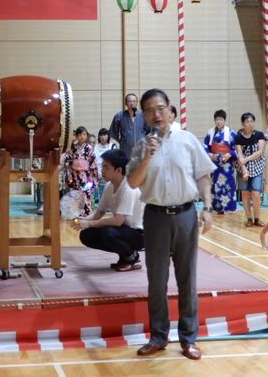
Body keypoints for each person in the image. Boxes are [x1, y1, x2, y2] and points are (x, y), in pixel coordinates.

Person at [127, 88, 215, 361]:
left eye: (160, 108)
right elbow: (132, 182)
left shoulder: (187, 140)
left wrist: (207, 207)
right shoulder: (142, 146)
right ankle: (158, 337)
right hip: (154, 217)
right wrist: (149, 156)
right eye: (150, 110)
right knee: (157, 282)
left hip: (186, 215)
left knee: (187, 280)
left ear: (170, 109)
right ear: (143, 115)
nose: (156, 114)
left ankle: (189, 339)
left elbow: (203, 175)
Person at [72, 149, 144, 271]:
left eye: (106, 167)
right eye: (102, 166)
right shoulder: (109, 186)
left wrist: (89, 223)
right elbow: (99, 212)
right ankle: (124, 256)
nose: (102, 170)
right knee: (86, 235)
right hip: (122, 230)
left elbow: (117, 221)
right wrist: (83, 220)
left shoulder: (128, 189)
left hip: (138, 233)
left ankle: (132, 256)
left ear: (119, 170)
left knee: (107, 233)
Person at [235, 112, 267, 227]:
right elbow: (239, 154)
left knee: (256, 193)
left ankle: (257, 218)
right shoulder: (238, 137)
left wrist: (246, 159)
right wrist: (244, 169)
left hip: (257, 168)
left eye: (252, 121)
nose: (250, 124)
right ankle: (249, 218)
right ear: (243, 123)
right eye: (247, 122)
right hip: (243, 169)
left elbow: (260, 152)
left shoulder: (259, 135)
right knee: (244, 194)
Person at [203, 110, 237, 214]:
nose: (219, 122)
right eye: (217, 119)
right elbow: (205, 147)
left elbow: (236, 148)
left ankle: (228, 208)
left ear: (224, 120)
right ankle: (216, 208)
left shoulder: (231, 133)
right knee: (215, 185)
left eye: (221, 119)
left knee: (228, 185)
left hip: (226, 165)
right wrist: (209, 154)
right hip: (214, 164)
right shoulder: (210, 132)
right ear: (214, 120)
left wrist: (230, 154)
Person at [63, 126, 98, 218]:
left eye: (84, 134)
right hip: (75, 174)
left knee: (86, 192)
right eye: (80, 134)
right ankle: (78, 211)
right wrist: (69, 170)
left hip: (85, 174)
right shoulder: (73, 148)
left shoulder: (89, 148)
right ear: (76, 136)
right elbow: (68, 159)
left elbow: (92, 161)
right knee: (76, 193)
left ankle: (87, 212)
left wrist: (91, 174)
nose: (82, 136)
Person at [109, 92, 150, 158]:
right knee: (126, 167)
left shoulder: (143, 115)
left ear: (137, 103)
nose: (132, 103)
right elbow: (114, 133)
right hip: (126, 150)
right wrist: (122, 141)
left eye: (134, 101)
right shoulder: (119, 116)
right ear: (126, 103)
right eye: (129, 101)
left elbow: (149, 131)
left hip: (141, 149)